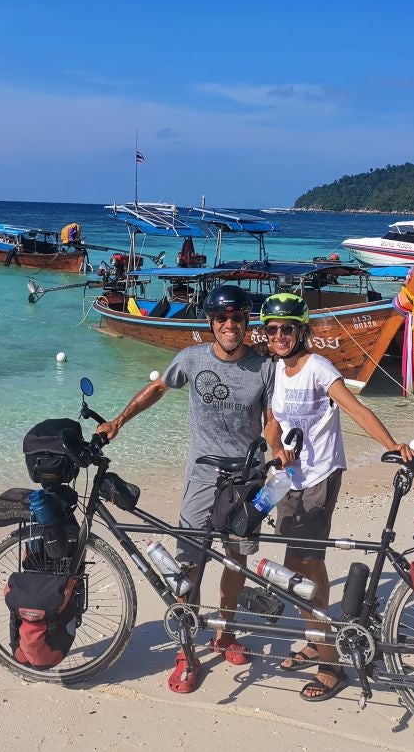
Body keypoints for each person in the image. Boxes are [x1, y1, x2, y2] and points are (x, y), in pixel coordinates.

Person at [95, 283, 273, 694]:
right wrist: (118, 422)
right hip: (202, 476)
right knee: (188, 562)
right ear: (211, 323)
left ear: (247, 323)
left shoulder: (264, 368)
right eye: (222, 319)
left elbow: (273, 418)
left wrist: (281, 452)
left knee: (236, 561)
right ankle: (187, 647)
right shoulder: (190, 359)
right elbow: (158, 388)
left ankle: (225, 632)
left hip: (247, 479)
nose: (230, 325)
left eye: (238, 318)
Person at [260, 292, 414, 703]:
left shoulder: (317, 367)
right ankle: (316, 635)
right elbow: (272, 423)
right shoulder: (275, 369)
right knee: (295, 561)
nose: (278, 335)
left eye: (286, 329)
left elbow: (356, 409)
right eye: (272, 329)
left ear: (301, 332)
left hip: (321, 475)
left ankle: (331, 663)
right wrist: (276, 450)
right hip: (288, 478)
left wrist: (393, 444)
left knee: (306, 562)